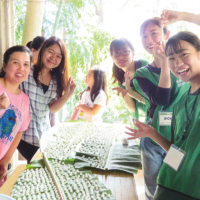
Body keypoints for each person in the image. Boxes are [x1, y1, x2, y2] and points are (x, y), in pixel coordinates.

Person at [126, 10, 200, 200]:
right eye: (171, 58)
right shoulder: (181, 102)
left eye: (184, 54)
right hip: (169, 185)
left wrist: (184, 17)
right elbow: (179, 150)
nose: (178, 63)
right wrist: (153, 134)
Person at [17, 36, 76, 163]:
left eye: (59, 56)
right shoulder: (27, 71)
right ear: (43, 50)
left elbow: (52, 108)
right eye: (51, 52)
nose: (53, 58)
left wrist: (68, 94)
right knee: (40, 167)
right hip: (24, 136)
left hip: (44, 136)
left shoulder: (57, 80)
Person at [0, 46, 31, 187]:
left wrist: (5, 161)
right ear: (5, 66)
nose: (21, 68)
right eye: (15, 62)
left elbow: (19, 131)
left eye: (26, 64)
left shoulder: (24, 100)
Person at [110, 38, 150, 123]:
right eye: (116, 53)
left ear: (133, 53)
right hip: (142, 120)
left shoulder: (144, 67)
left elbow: (155, 101)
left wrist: (131, 93)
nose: (121, 56)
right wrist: (125, 93)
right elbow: (133, 108)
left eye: (125, 52)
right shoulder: (121, 78)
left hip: (160, 116)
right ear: (112, 58)